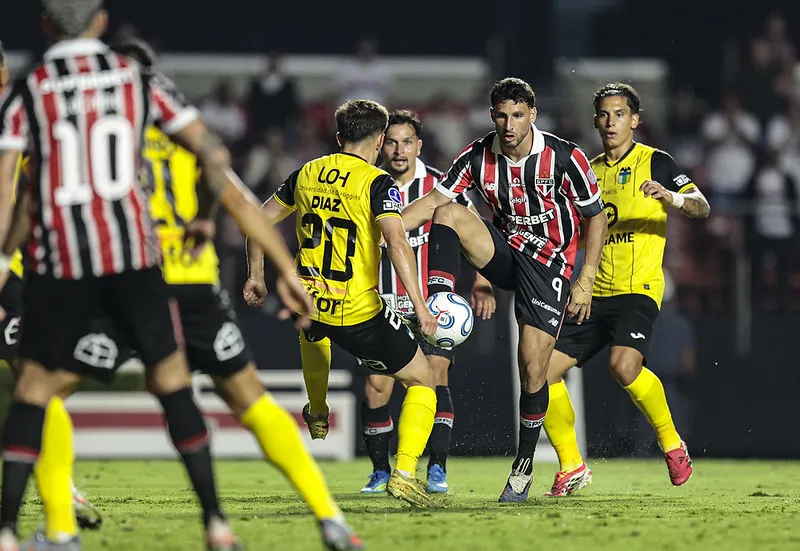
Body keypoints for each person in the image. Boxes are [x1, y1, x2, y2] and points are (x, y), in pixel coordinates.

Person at [0, 2, 314, 550]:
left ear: (46, 27)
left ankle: (25, 529)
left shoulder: (34, 91)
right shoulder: (140, 88)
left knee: (34, 391)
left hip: (62, 267)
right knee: (180, 388)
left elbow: (13, 193)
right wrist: (248, 245)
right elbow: (218, 161)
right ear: (99, 23)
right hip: (143, 267)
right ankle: (226, 522)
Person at [398, 77, 609, 502]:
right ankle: (441, 298)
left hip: (549, 267)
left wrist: (585, 279)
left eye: (517, 115)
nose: (508, 124)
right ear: (491, 115)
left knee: (532, 369)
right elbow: (430, 204)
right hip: (505, 253)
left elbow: (597, 217)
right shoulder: (478, 155)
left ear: (532, 115)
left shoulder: (565, 157)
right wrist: (383, 229)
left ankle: (524, 467)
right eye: (501, 115)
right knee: (449, 212)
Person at [266, 110, 496, 495]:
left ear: (419, 146)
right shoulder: (371, 184)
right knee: (377, 387)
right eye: (391, 141)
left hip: (427, 300)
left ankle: (435, 468)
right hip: (379, 298)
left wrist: (483, 281)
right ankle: (382, 471)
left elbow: (474, 233)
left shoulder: (439, 184)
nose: (398, 149)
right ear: (380, 143)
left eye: (407, 142)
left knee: (433, 378)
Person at [245, 99, 441, 508]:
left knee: (314, 335)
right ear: (380, 141)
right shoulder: (376, 182)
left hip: (309, 303)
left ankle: (317, 409)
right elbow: (397, 240)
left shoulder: (305, 172)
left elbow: (257, 221)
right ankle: (404, 473)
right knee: (422, 380)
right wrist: (421, 308)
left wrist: (256, 275)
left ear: (338, 138)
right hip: (357, 310)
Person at [541, 82, 710, 497]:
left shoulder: (656, 162)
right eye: (604, 114)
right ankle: (572, 465)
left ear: (635, 120)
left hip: (638, 288)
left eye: (620, 114)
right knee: (538, 375)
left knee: (623, 366)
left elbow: (702, 206)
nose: (611, 121)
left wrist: (671, 196)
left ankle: (672, 444)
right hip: (594, 291)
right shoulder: (589, 170)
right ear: (595, 120)